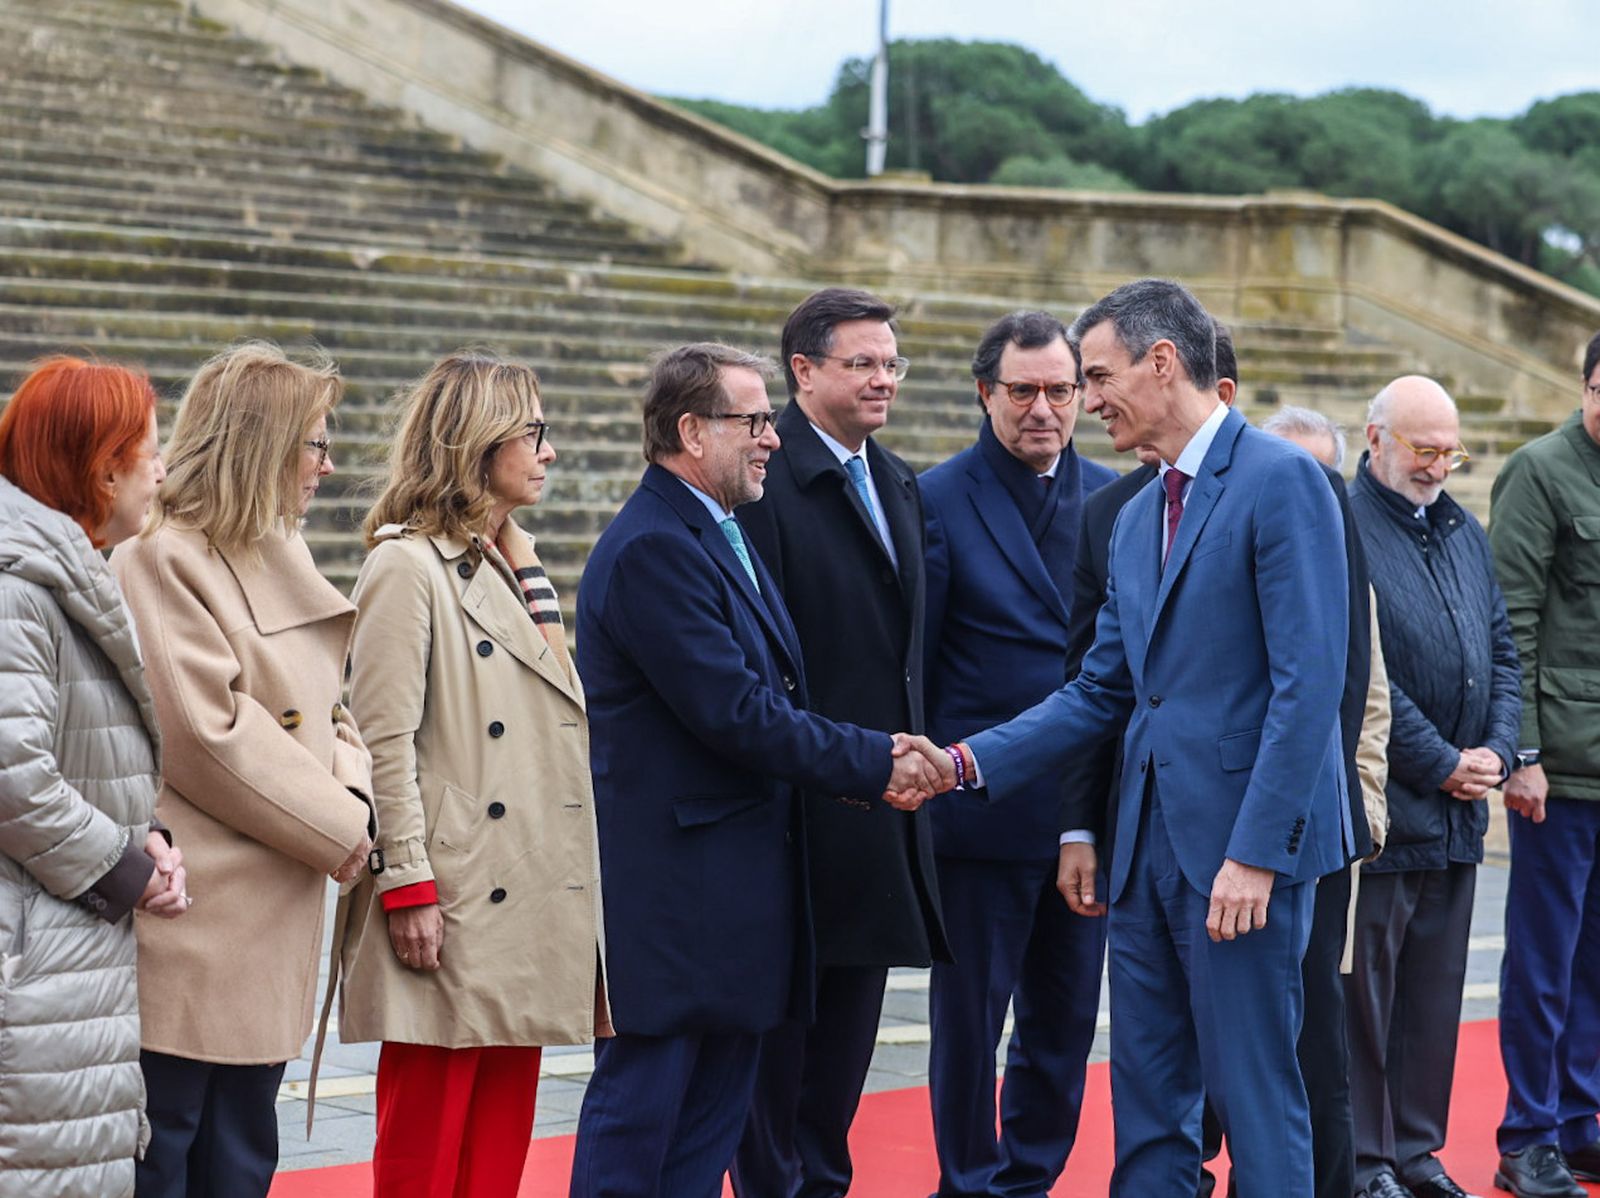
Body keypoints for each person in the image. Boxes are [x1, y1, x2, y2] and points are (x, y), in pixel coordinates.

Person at [944, 278, 1353, 1197]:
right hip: (1146, 853)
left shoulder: (1283, 481)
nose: (1087, 402)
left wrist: (1254, 855)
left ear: (1162, 363)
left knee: (1256, 1098)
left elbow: (1309, 686)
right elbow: (1100, 690)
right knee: (1147, 1109)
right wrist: (970, 762)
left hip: (1242, 857)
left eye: (1096, 376)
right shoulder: (1132, 517)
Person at [568, 342, 951, 1198]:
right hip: (677, 907)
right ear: (690, 431)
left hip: (736, 904)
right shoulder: (653, 549)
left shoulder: (717, 531)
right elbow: (737, 714)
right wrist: (877, 759)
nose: (771, 437)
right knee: (643, 1128)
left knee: (703, 1139)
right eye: (752, 420)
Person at [331, 351, 609, 1197]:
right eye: (533, 432)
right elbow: (384, 740)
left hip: (516, 887)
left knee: (495, 1150)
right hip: (450, 897)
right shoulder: (405, 566)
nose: (548, 452)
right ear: (476, 443)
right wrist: (406, 884)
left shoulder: (516, 563)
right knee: (426, 1147)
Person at [112, 342, 375, 1198]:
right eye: (314, 445)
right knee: (173, 1156)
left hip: (268, 909)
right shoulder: (161, 554)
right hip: (198, 922)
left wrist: (354, 795)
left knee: (239, 1161)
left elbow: (333, 711)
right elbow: (208, 732)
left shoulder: (275, 549)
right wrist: (343, 824)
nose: (327, 467)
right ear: (260, 446)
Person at [733, 287, 949, 1198]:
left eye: (891, 362)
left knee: (837, 1081)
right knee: (774, 1083)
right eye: (861, 362)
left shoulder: (896, 478)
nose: (883, 379)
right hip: (795, 822)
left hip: (877, 819)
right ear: (803, 371)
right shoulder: (760, 481)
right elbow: (757, 667)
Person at [916, 309, 1115, 1197]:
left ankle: (1029, 1179)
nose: (1044, 409)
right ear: (984, 393)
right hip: (977, 809)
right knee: (968, 1026)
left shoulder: (1120, 498)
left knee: (1066, 1022)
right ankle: (968, 1182)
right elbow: (915, 662)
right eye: (1024, 390)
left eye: (1062, 390)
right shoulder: (935, 497)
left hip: (1086, 812)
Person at [0, 357, 187, 1198]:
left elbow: (79, 757)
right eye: (149, 448)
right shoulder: (18, 585)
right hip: (33, 956)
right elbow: (13, 777)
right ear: (101, 465)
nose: (162, 467)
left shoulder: (63, 569)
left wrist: (143, 842)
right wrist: (126, 866)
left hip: (61, 947)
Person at [1344, 376, 1520, 1198]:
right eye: (1425, 450)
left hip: (1457, 813)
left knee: (1433, 998)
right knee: (1368, 1003)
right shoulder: (1344, 527)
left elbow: (1502, 651)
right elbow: (1365, 676)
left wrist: (1499, 749)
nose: (1440, 467)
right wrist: (1443, 761)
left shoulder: (1463, 532)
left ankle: (1416, 1151)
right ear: (1375, 439)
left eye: (1452, 451)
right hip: (1390, 812)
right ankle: (1368, 1158)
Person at [1486, 337, 1600, 1198]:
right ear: (1586, 385)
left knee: (1596, 961)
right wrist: (1520, 752)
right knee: (1543, 958)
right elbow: (1510, 624)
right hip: (1557, 767)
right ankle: (1528, 1133)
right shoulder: (1540, 471)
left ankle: (1579, 1121)